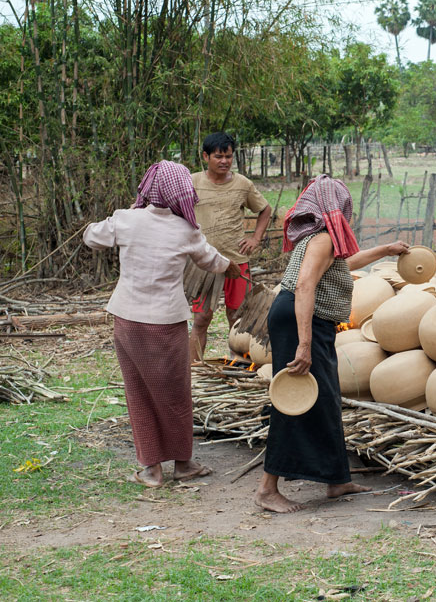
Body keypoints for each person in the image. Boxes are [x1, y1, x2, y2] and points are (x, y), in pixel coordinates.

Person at [254, 174, 410, 513]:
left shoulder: (321, 238)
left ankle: (336, 480)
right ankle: (268, 489)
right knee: (295, 399)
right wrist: (304, 345)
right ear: (336, 207)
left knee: (324, 399)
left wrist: (384, 250)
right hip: (299, 321)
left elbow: (341, 268)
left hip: (305, 319)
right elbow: (306, 287)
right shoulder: (322, 239)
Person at [84, 161, 242, 487]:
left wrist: (126, 214)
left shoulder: (127, 220)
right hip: (166, 324)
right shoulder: (186, 230)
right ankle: (183, 464)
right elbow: (213, 260)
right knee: (175, 393)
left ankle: (151, 470)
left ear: (148, 189)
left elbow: (91, 237)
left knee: (138, 392)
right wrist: (232, 268)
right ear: (182, 192)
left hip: (128, 321)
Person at [189, 132, 272, 361]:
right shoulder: (193, 182)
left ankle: (239, 367)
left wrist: (255, 238)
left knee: (237, 319)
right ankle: (195, 369)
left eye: (228, 156)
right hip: (203, 262)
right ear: (206, 156)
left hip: (237, 261)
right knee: (201, 318)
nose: (224, 161)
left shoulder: (243, 184)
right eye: (218, 156)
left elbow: (265, 209)